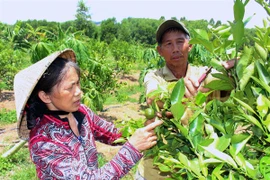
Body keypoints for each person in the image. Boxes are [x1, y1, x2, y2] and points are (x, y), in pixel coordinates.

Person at [13, 49, 163, 179]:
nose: (79, 92)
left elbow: (113, 135)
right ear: (45, 96)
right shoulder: (44, 143)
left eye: (78, 83)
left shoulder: (82, 113)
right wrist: (132, 148)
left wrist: (144, 129)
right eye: (70, 88)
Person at [136, 20, 235, 179]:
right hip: (155, 171)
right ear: (159, 50)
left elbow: (224, 86)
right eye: (168, 44)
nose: (175, 49)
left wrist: (230, 74)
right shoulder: (154, 76)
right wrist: (179, 93)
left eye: (180, 42)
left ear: (190, 46)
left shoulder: (203, 74)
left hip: (193, 169)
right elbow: (152, 98)